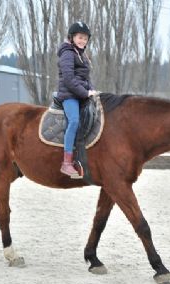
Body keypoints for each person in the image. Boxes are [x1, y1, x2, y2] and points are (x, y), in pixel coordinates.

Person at [57, 21, 98, 178]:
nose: (83, 41)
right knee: (74, 121)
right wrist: (85, 93)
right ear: (72, 37)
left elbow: (86, 78)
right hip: (69, 95)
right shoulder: (67, 53)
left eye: (85, 39)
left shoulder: (82, 54)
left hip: (80, 93)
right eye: (80, 37)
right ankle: (66, 163)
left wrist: (92, 91)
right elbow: (68, 79)